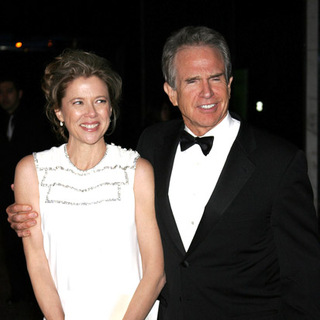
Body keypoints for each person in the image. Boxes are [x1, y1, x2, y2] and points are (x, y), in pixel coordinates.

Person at [6, 25, 320, 319]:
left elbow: (304, 276)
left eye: (215, 77)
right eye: (192, 81)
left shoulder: (278, 162)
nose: (207, 92)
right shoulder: (153, 144)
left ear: (229, 82)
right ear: (171, 92)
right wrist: (25, 214)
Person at [10, 49, 165, 319]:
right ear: (59, 110)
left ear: (111, 107)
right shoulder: (31, 172)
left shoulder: (136, 171)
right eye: (78, 102)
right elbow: (37, 264)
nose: (91, 113)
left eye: (100, 101)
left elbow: (155, 273)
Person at [0, 75, 55, 314]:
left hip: (32, 193)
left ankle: (35, 300)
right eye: (1, 92)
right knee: (9, 247)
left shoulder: (34, 120)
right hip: (5, 194)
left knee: (32, 245)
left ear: (19, 93)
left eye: (9, 91)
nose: (4, 97)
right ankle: (16, 292)